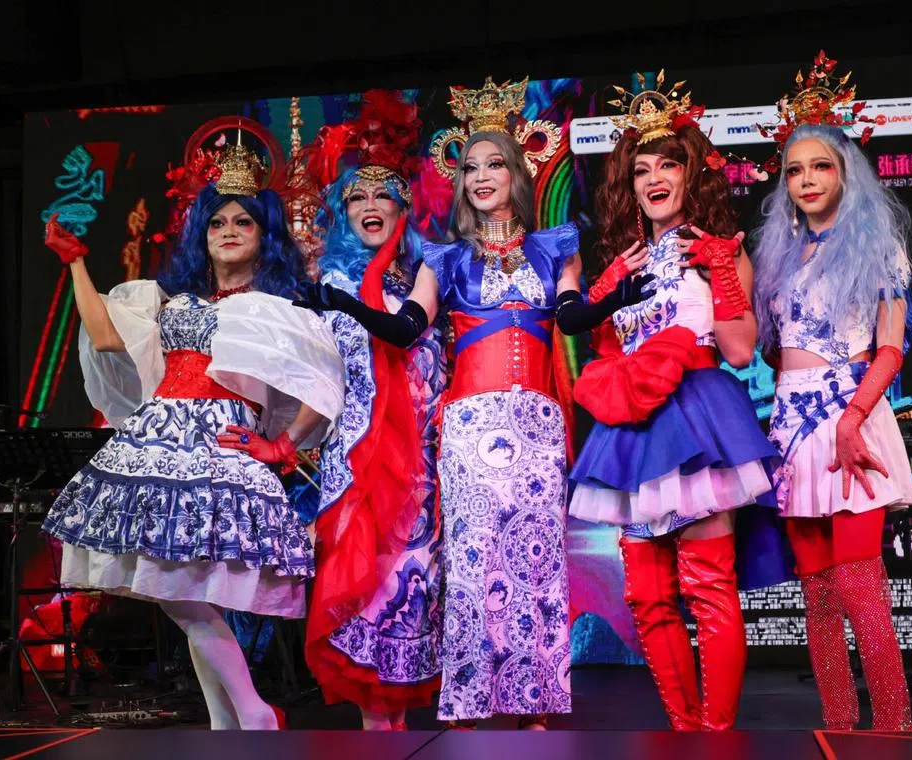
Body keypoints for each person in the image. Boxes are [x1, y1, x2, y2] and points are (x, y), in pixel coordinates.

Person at [40, 134, 345, 730]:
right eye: (217, 223)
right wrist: (75, 262)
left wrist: (282, 444)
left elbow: (322, 385)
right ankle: (235, 723)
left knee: (185, 593)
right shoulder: (170, 301)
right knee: (183, 598)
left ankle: (250, 716)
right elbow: (106, 337)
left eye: (244, 223)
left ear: (264, 237)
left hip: (216, 448)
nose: (228, 231)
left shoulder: (275, 308)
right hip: (157, 443)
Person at [295, 76, 573, 729]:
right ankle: (451, 708)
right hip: (419, 452)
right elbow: (376, 347)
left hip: (485, 446)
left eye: (495, 162)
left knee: (525, 566)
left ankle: (526, 702)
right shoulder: (414, 270)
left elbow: (566, 313)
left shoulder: (530, 252)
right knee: (456, 579)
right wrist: (346, 309)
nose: (481, 176)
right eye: (470, 165)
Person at [562, 72, 791, 731]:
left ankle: (716, 736)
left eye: (669, 164)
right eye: (641, 169)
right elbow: (602, 347)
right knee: (647, 599)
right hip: (634, 432)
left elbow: (743, 350)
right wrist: (609, 289)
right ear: (627, 184)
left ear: (694, 175)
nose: (655, 178)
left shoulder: (720, 253)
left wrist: (720, 268)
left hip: (696, 421)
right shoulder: (621, 260)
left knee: (709, 590)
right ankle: (685, 734)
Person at [751, 51, 912, 732]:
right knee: (817, 598)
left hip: (850, 415)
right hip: (792, 426)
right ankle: (838, 726)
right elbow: (771, 349)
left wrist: (853, 419)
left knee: (859, 587)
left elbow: (890, 348)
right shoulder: (780, 255)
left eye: (821, 165)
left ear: (845, 170)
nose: (807, 179)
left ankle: (894, 727)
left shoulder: (878, 247)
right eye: (794, 170)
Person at [291, 90, 446, 731]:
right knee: (359, 588)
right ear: (340, 209)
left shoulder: (427, 274)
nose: (370, 206)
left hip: (419, 465)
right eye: (356, 197)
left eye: (384, 196)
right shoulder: (324, 285)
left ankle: (398, 733)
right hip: (355, 459)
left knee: (410, 586)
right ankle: (372, 735)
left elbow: (420, 343)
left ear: (403, 209)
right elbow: (305, 377)